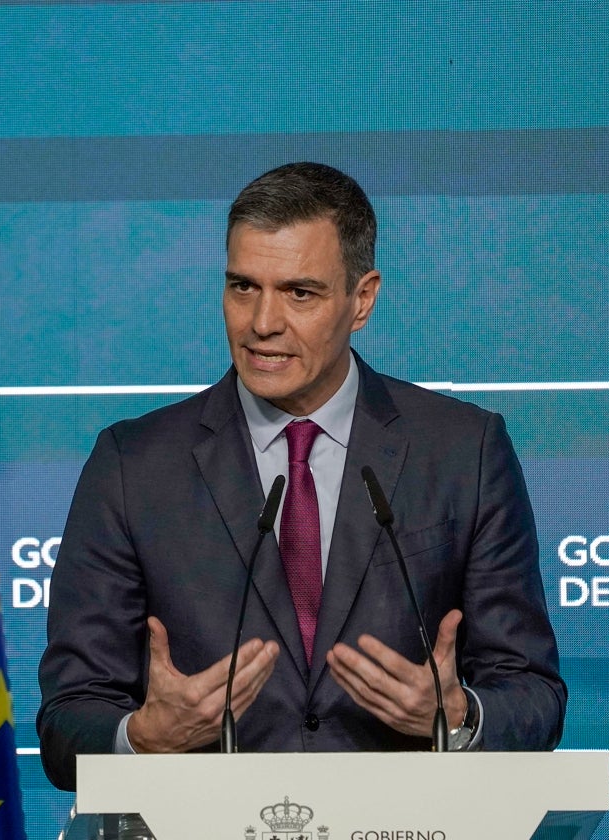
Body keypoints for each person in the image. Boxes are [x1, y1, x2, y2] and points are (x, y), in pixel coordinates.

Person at [36, 162, 566, 791]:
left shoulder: (462, 451)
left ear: (362, 299)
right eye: (242, 287)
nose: (262, 323)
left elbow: (533, 693)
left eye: (300, 293)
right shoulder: (134, 464)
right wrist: (142, 738)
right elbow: (68, 723)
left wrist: (460, 717)